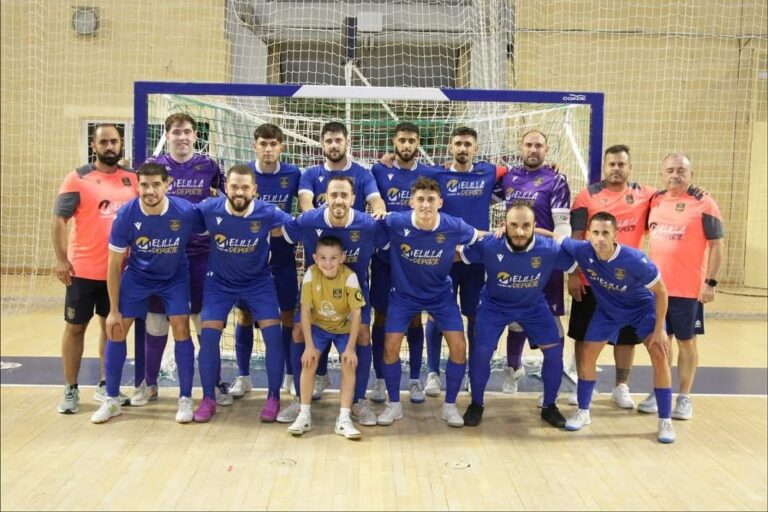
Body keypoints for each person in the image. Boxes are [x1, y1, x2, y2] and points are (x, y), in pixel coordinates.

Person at [542, 212, 676, 443]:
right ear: (588, 235)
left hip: (642, 309)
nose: (600, 238)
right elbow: (554, 236)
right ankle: (583, 411)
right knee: (587, 355)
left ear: (615, 235)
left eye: (605, 233)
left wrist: (659, 329)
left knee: (660, 354)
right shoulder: (582, 250)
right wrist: (514, 229)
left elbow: (661, 292)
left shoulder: (635, 260)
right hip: (608, 311)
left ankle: (665, 420)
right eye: (595, 233)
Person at [131, 113, 228, 407]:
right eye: (176, 132)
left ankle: (214, 383)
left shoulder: (209, 165)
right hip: (163, 254)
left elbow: (224, 200)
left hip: (201, 255)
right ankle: (150, 383)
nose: (182, 137)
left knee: (203, 322)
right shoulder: (154, 166)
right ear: (167, 135)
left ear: (195, 136)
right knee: (157, 322)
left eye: (187, 132)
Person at [91, 162, 197, 424]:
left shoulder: (184, 212)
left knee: (181, 327)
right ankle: (112, 400)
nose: (150, 191)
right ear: (138, 185)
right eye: (145, 185)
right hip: (138, 277)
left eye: (156, 185)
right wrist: (113, 310)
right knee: (115, 329)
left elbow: (215, 230)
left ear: (167, 184)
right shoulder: (126, 215)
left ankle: (185, 398)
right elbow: (114, 265)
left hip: (174, 278)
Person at [277, 175, 386, 428]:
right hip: (315, 292)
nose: (339, 200)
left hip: (353, 294)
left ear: (354, 199)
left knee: (362, 336)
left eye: (344, 195)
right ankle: (299, 400)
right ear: (325, 198)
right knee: (297, 333)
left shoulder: (368, 225)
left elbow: (389, 243)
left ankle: (357, 401)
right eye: (333, 195)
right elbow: (284, 233)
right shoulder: (309, 220)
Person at [377, 176, 483, 428]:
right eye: (421, 199)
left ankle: (449, 406)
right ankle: (393, 405)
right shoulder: (395, 221)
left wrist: (503, 233)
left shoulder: (453, 225)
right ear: (411, 202)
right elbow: (369, 227)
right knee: (390, 347)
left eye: (431, 200)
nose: (426, 205)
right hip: (403, 296)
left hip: (440, 296)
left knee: (459, 347)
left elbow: (480, 238)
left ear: (440, 202)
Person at [190, 164, 293, 423]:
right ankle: (208, 398)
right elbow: (178, 217)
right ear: (226, 187)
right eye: (234, 186)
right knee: (209, 336)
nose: (239, 192)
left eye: (245, 187)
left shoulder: (268, 212)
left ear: (254, 190)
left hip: (259, 282)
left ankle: (273, 397)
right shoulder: (209, 209)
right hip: (219, 283)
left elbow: (299, 227)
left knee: (273, 334)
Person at [460, 203, 576, 427]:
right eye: (513, 225)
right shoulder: (490, 244)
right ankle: (476, 404)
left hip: (533, 306)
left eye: (525, 226)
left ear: (535, 226)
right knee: (482, 352)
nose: (520, 232)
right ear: (504, 225)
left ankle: (549, 406)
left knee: (554, 353)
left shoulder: (549, 249)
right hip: (494, 306)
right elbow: (457, 254)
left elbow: (579, 262)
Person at [297, 121, 386, 399]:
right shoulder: (310, 173)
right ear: (322, 144)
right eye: (328, 140)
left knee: (361, 334)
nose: (333, 145)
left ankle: (357, 399)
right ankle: (315, 381)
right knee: (309, 327)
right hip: (321, 267)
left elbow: (376, 202)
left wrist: (378, 213)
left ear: (347, 142)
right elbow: (305, 204)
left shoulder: (362, 173)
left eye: (338, 140)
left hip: (354, 275)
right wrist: (322, 225)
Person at [53, 124, 137, 413]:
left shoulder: (133, 180)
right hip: (83, 271)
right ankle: (70, 388)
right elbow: (59, 221)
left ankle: (106, 385)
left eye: (114, 141)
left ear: (121, 143)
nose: (109, 146)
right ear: (94, 145)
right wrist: (62, 259)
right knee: (75, 328)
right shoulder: (77, 179)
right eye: (104, 142)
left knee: (111, 327)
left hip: (120, 272)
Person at [568, 145, 658, 409]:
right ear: (604, 167)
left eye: (621, 164)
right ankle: (581, 383)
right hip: (591, 280)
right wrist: (573, 274)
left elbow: (671, 196)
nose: (616, 169)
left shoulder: (646, 194)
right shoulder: (587, 196)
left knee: (627, 339)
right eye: (612, 164)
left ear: (630, 168)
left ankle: (621, 387)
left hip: (630, 285)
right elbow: (575, 237)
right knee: (583, 336)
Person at [422, 126, 507, 397]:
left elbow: (515, 175)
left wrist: (549, 168)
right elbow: (408, 174)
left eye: (468, 144)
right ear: (450, 147)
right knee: (437, 313)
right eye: (458, 143)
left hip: (476, 259)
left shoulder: (489, 172)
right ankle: (433, 372)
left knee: (473, 316)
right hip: (443, 256)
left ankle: (472, 371)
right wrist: (388, 159)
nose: (462, 148)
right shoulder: (436, 173)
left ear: (476, 149)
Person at [640, 153, 724, 420]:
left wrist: (710, 283)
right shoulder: (655, 200)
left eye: (681, 170)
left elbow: (717, 245)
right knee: (660, 343)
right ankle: (660, 390)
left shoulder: (704, 202)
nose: (675, 175)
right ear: (661, 174)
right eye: (670, 170)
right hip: (656, 289)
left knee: (687, 343)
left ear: (691, 175)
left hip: (687, 291)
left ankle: (685, 397)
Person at [498, 130, 571, 395]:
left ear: (546, 149)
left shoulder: (556, 180)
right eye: (528, 144)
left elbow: (563, 226)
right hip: (513, 257)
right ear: (520, 147)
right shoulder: (508, 177)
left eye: (538, 145)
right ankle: (512, 368)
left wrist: (556, 251)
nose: (533, 149)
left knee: (551, 318)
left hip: (545, 261)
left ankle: (553, 370)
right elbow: (480, 193)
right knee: (515, 318)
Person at [231, 123, 302, 400]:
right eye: (263, 143)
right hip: (251, 256)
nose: (269, 149)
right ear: (255, 145)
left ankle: (289, 375)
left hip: (283, 254)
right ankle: (244, 376)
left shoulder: (293, 173)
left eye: (274, 144)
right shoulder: (244, 174)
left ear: (281, 146)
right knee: (245, 315)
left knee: (286, 315)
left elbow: (306, 201)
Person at [369, 122, 433, 403]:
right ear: (394, 142)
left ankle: (416, 380)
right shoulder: (378, 170)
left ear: (418, 142)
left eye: (412, 140)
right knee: (381, 316)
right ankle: (381, 379)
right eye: (402, 140)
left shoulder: (428, 173)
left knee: (414, 317)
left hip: (414, 259)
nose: (407, 145)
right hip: (383, 257)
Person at [286, 236, 366, 439]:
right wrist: (309, 346)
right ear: (315, 258)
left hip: (344, 329)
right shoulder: (311, 275)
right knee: (309, 362)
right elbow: (304, 311)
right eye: (323, 258)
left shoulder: (350, 277)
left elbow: (357, 314)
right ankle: (304, 414)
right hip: (319, 327)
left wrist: (349, 348)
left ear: (342, 258)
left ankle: (344, 418)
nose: (328, 263)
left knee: (348, 363)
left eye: (333, 258)